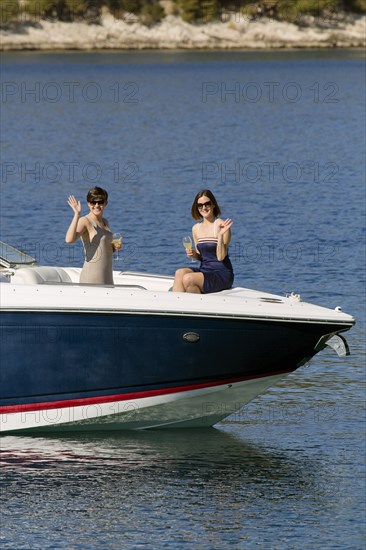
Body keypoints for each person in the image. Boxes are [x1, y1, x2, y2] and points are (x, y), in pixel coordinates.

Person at [173, 189, 234, 294]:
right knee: (180, 273)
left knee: (189, 279)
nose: (204, 208)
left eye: (207, 204)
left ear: (213, 205)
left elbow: (220, 257)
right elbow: (201, 257)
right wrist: (194, 255)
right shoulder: (196, 228)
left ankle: (193, 306)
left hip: (221, 273)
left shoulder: (222, 225)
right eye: (200, 205)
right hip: (205, 270)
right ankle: (177, 306)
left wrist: (220, 235)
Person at [65, 186, 121, 284]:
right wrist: (77, 215)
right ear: (88, 204)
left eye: (100, 202)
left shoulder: (105, 222)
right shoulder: (85, 221)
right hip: (91, 279)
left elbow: (106, 251)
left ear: (106, 203)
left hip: (107, 278)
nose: (96, 205)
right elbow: (69, 240)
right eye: (93, 202)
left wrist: (116, 246)